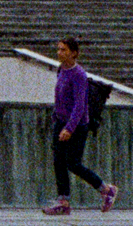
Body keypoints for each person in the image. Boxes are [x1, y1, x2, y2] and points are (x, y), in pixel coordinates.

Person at [43, 35, 118, 216]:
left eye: (64, 50)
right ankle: (63, 200)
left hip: (77, 125)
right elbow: (60, 96)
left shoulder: (78, 75)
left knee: (73, 163)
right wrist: (58, 119)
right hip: (60, 121)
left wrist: (69, 128)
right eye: (59, 49)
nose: (60, 53)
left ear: (74, 53)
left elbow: (80, 105)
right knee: (58, 161)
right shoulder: (61, 70)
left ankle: (106, 190)